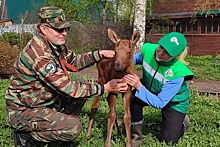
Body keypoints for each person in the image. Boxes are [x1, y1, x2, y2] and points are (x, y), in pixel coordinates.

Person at [5, 6, 128, 147]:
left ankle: (58, 130)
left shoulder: (55, 45)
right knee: (74, 127)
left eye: (66, 29)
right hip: (23, 111)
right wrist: (106, 87)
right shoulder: (39, 55)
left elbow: (74, 61)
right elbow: (69, 89)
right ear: (44, 29)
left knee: (82, 85)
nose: (64, 33)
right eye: (58, 29)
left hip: (43, 100)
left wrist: (99, 54)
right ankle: (27, 136)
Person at [124, 32, 194, 146]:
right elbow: (132, 59)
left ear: (175, 56)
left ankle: (182, 122)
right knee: (132, 98)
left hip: (173, 103)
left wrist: (138, 86)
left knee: (168, 141)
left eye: (167, 53)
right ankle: (136, 137)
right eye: (161, 47)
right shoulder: (149, 50)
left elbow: (160, 102)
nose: (160, 53)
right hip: (150, 89)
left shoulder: (177, 72)